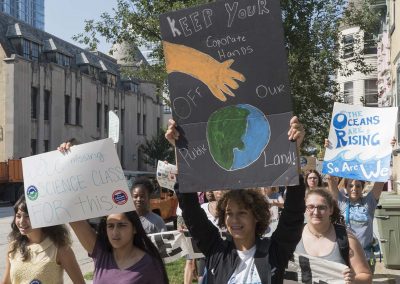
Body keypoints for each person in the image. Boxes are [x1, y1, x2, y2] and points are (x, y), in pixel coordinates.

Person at [166, 116, 306, 283]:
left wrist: (293, 149)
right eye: (229, 213)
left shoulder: (274, 251)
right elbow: (190, 210)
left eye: (241, 212)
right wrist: (180, 148)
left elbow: (294, 212)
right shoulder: (216, 250)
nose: (234, 219)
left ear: (256, 216)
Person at [58, 142, 169, 284]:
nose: (115, 232)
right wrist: (69, 158)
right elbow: (73, 215)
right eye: (110, 226)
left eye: (122, 225)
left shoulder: (149, 264)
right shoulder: (101, 254)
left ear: (134, 227)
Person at [1, 195, 85, 284]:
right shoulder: (14, 246)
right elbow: (7, 282)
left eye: (27, 216)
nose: (21, 221)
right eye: (18, 216)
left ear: (42, 217)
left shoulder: (60, 249)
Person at [295, 188, 372, 283]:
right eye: (310, 207)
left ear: (331, 209)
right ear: (305, 209)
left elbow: (366, 276)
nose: (315, 212)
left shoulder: (347, 239)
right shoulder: (293, 237)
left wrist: (354, 280)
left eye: (321, 207)